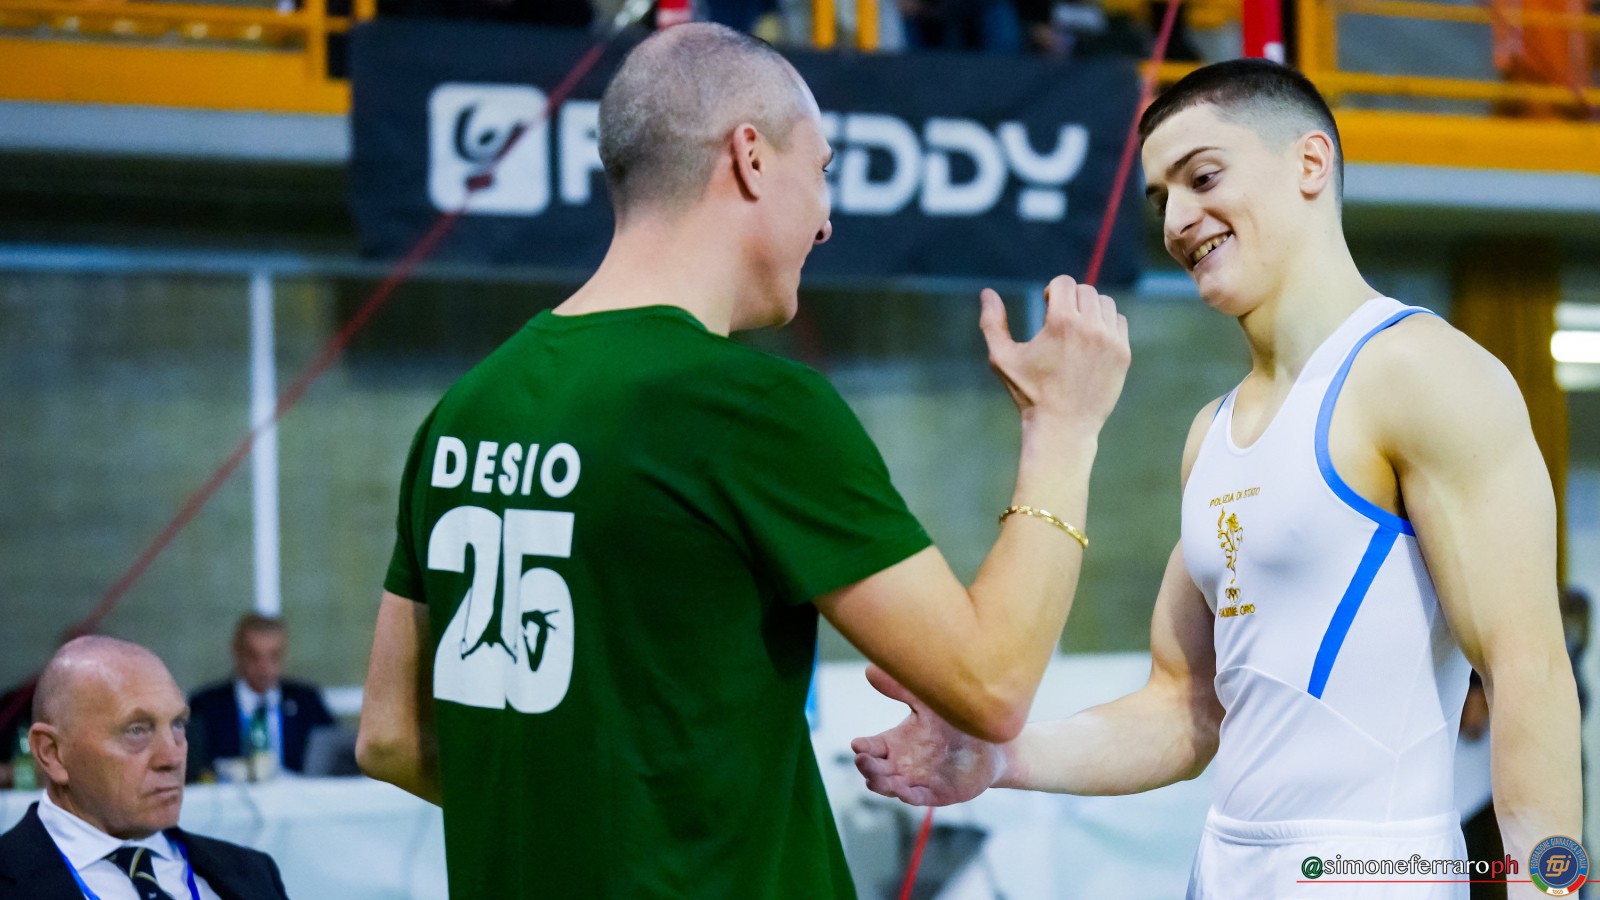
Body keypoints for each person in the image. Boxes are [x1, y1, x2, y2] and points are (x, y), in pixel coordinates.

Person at [356, 21, 1129, 899]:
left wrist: (617, 827)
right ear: (751, 158)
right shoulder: (745, 405)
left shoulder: (465, 408)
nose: (827, 220)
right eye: (822, 170)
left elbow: (390, 738)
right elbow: (991, 684)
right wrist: (1064, 426)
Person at [852, 59, 1581, 900]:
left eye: (1202, 178)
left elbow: (1528, 671)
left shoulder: (1422, 371)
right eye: (1160, 198)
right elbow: (1184, 708)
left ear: (1311, 163)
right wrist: (999, 757)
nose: (1177, 221)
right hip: (1225, 868)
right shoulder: (1212, 433)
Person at [0, 636, 289, 900]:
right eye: (136, 730)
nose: (172, 758)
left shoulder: (254, 873)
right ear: (52, 753)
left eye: (178, 725)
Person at [187, 613, 333, 782]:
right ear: (237, 652)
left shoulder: (307, 702)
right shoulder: (206, 705)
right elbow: (195, 768)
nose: (264, 666)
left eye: (274, 656)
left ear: (285, 654)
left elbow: (333, 756)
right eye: (253, 656)